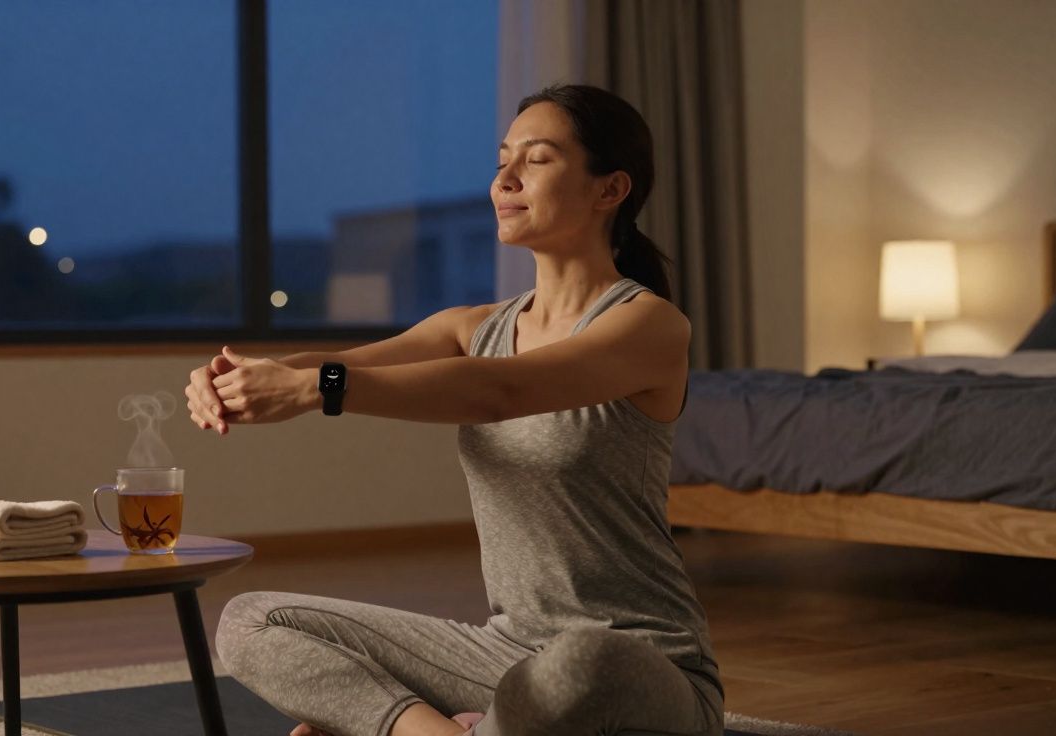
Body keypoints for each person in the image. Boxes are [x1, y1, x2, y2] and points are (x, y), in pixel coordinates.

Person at [184, 83, 723, 736]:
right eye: (503, 158)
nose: (506, 177)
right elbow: (351, 364)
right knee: (250, 621)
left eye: (538, 158)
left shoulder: (649, 326)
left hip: (639, 663)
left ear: (610, 190)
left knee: (580, 664)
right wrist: (239, 379)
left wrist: (312, 389)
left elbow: (499, 391)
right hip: (503, 655)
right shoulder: (472, 326)